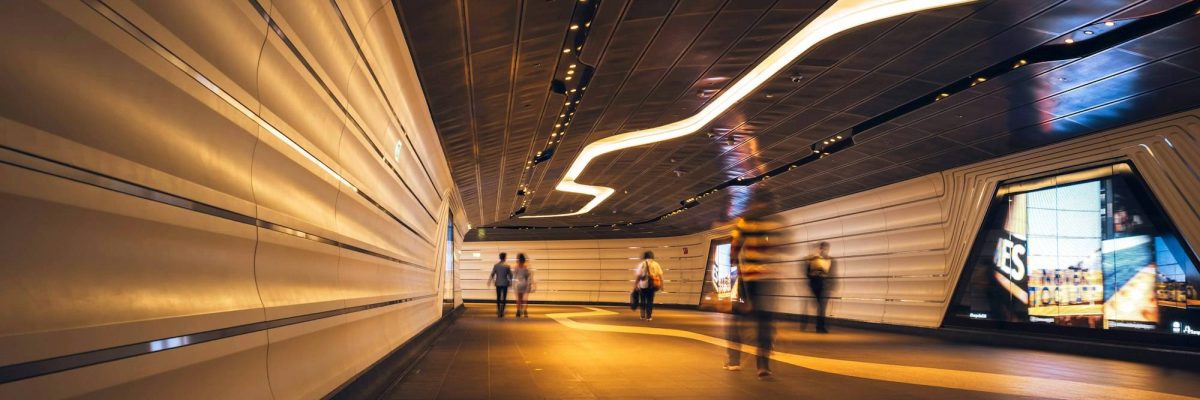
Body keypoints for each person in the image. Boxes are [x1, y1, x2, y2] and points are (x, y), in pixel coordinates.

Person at [724, 196, 782, 378]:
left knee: (735, 319)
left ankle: (734, 361)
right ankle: (763, 366)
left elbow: (733, 251)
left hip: (748, 280)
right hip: (768, 280)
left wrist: (736, 275)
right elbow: (781, 249)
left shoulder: (743, 223)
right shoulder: (774, 223)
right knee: (765, 322)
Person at [802, 242, 835, 333]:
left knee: (821, 306)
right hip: (816, 283)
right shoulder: (812, 259)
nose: (823, 250)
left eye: (824, 248)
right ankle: (819, 326)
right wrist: (814, 273)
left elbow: (832, 273)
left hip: (823, 284)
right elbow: (807, 272)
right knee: (821, 306)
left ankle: (820, 326)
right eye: (822, 248)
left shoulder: (829, 260)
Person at [633, 251, 663, 320]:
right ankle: (649, 316)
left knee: (642, 300)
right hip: (652, 285)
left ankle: (642, 315)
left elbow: (638, 275)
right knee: (650, 300)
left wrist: (635, 285)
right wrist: (661, 285)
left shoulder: (642, 264)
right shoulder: (656, 264)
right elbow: (660, 275)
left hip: (643, 285)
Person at [487, 252, 512, 317]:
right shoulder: (507, 266)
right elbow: (510, 275)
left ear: (500, 257)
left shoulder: (496, 265)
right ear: (505, 258)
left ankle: (498, 310)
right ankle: (502, 311)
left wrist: (489, 281)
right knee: (504, 298)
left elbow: (492, 274)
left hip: (498, 283)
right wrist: (510, 281)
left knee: (498, 297)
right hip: (505, 283)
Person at [512, 253, 534, 318]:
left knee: (519, 299)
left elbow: (514, 276)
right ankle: (525, 311)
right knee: (525, 299)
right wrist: (530, 284)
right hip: (525, 283)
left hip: (519, 284)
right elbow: (528, 276)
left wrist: (513, 285)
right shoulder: (526, 267)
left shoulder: (516, 267)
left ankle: (518, 311)